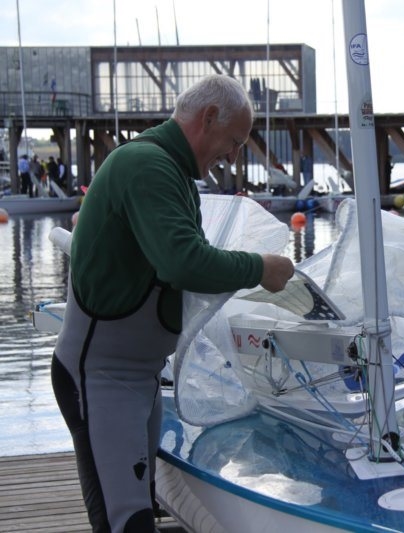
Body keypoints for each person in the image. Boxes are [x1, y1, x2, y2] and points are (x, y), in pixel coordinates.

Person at [51, 74, 295, 533]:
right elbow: (184, 263)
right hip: (101, 379)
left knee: (140, 510)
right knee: (127, 522)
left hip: (137, 377)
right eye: (234, 142)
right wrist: (260, 267)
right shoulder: (146, 165)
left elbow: (181, 262)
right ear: (208, 118)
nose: (233, 157)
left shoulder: (172, 172)